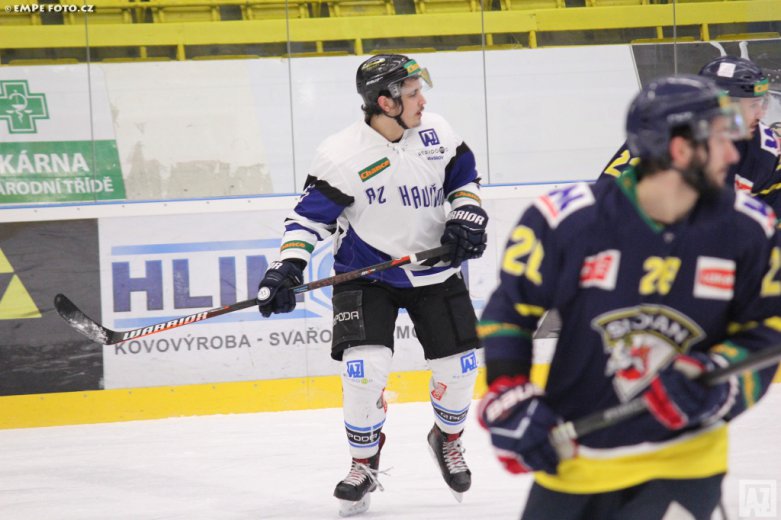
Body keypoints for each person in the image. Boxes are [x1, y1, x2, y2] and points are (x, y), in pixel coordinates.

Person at [478, 74, 781, 520]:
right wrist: (509, 390)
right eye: (722, 139)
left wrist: (720, 385)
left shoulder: (749, 229)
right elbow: (510, 311)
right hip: (574, 462)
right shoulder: (565, 220)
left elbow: (768, 331)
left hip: (685, 462)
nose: (735, 155)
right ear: (681, 149)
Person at [256, 54, 488, 516]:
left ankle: (447, 438)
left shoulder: (438, 133)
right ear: (386, 102)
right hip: (368, 275)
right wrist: (286, 267)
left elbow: (464, 181)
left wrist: (467, 214)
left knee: (460, 369)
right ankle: (363, 463)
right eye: (412, 94)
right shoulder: (343, 155)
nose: (423, 101)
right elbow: (307, 220)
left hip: (435, 271)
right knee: (363, 371)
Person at [599, 56, 781, 212]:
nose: (761, 114)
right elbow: (607, 206)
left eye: (762, 103)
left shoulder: (766, 151)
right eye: (753, 105)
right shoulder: (660, 136)